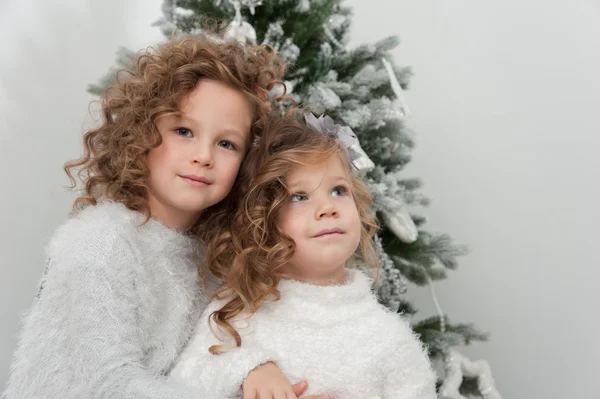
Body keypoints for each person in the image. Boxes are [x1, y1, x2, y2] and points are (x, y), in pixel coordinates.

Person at [3, 36, 326, 399]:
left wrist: (254, 369)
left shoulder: (211, 257)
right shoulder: (98, 241)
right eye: (184, 131)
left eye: (226, 143)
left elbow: (193, 371)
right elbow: (111, 385)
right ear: (141, 133)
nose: (203, 156)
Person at [170, 112, 438, 399]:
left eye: (338, 190)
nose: (328, 208)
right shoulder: (236, 312)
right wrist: (248, 369)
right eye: (299, 196)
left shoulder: (390, 340)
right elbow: (180, 383)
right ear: (262, 223)